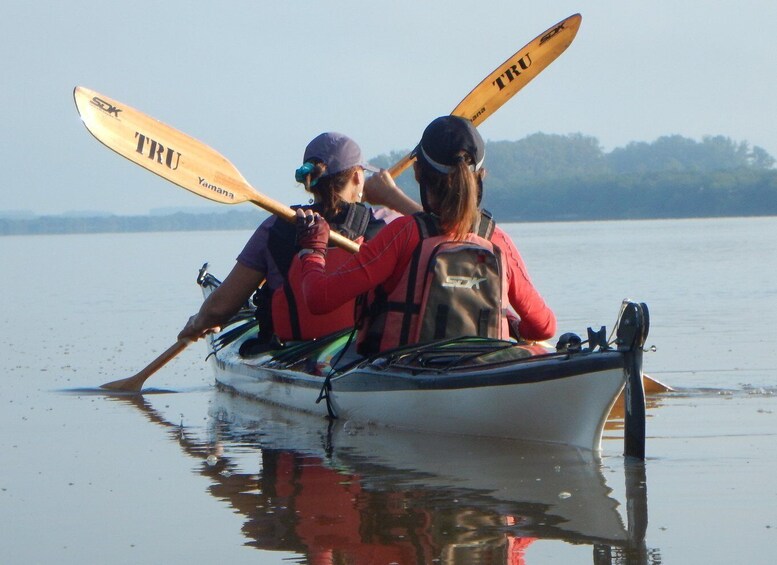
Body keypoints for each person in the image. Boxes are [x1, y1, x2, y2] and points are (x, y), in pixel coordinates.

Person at [294, 115, 556, 356]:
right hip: (481, 366)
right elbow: (544, 327)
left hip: (404, 368)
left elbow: (320, 299)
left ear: (418, 173)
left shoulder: (402, 234)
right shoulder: (497, 239)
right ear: (480, 176)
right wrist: (515, 329)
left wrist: (313, 248)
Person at [178, 132, 385, 350]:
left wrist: (199, 323)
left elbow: (218, 310)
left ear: (310, 182)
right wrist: (392, 196)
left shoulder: (275, 228)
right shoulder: (384, 225)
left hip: (291, 351)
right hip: (358, 355)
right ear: (357, 177)